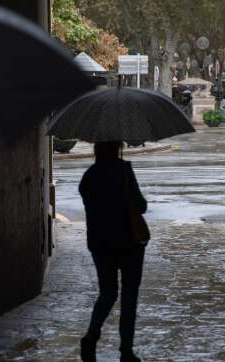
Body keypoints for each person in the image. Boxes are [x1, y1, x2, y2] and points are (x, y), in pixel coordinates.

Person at [78, 141, 148, 362]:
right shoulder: (124, 170)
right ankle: (125, 351)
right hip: (129, 243)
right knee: (129, 296)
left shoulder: (89, 176)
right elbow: (141, 206)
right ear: (117, 147)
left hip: (100, 244)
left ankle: (91, 335)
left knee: (107, 293)